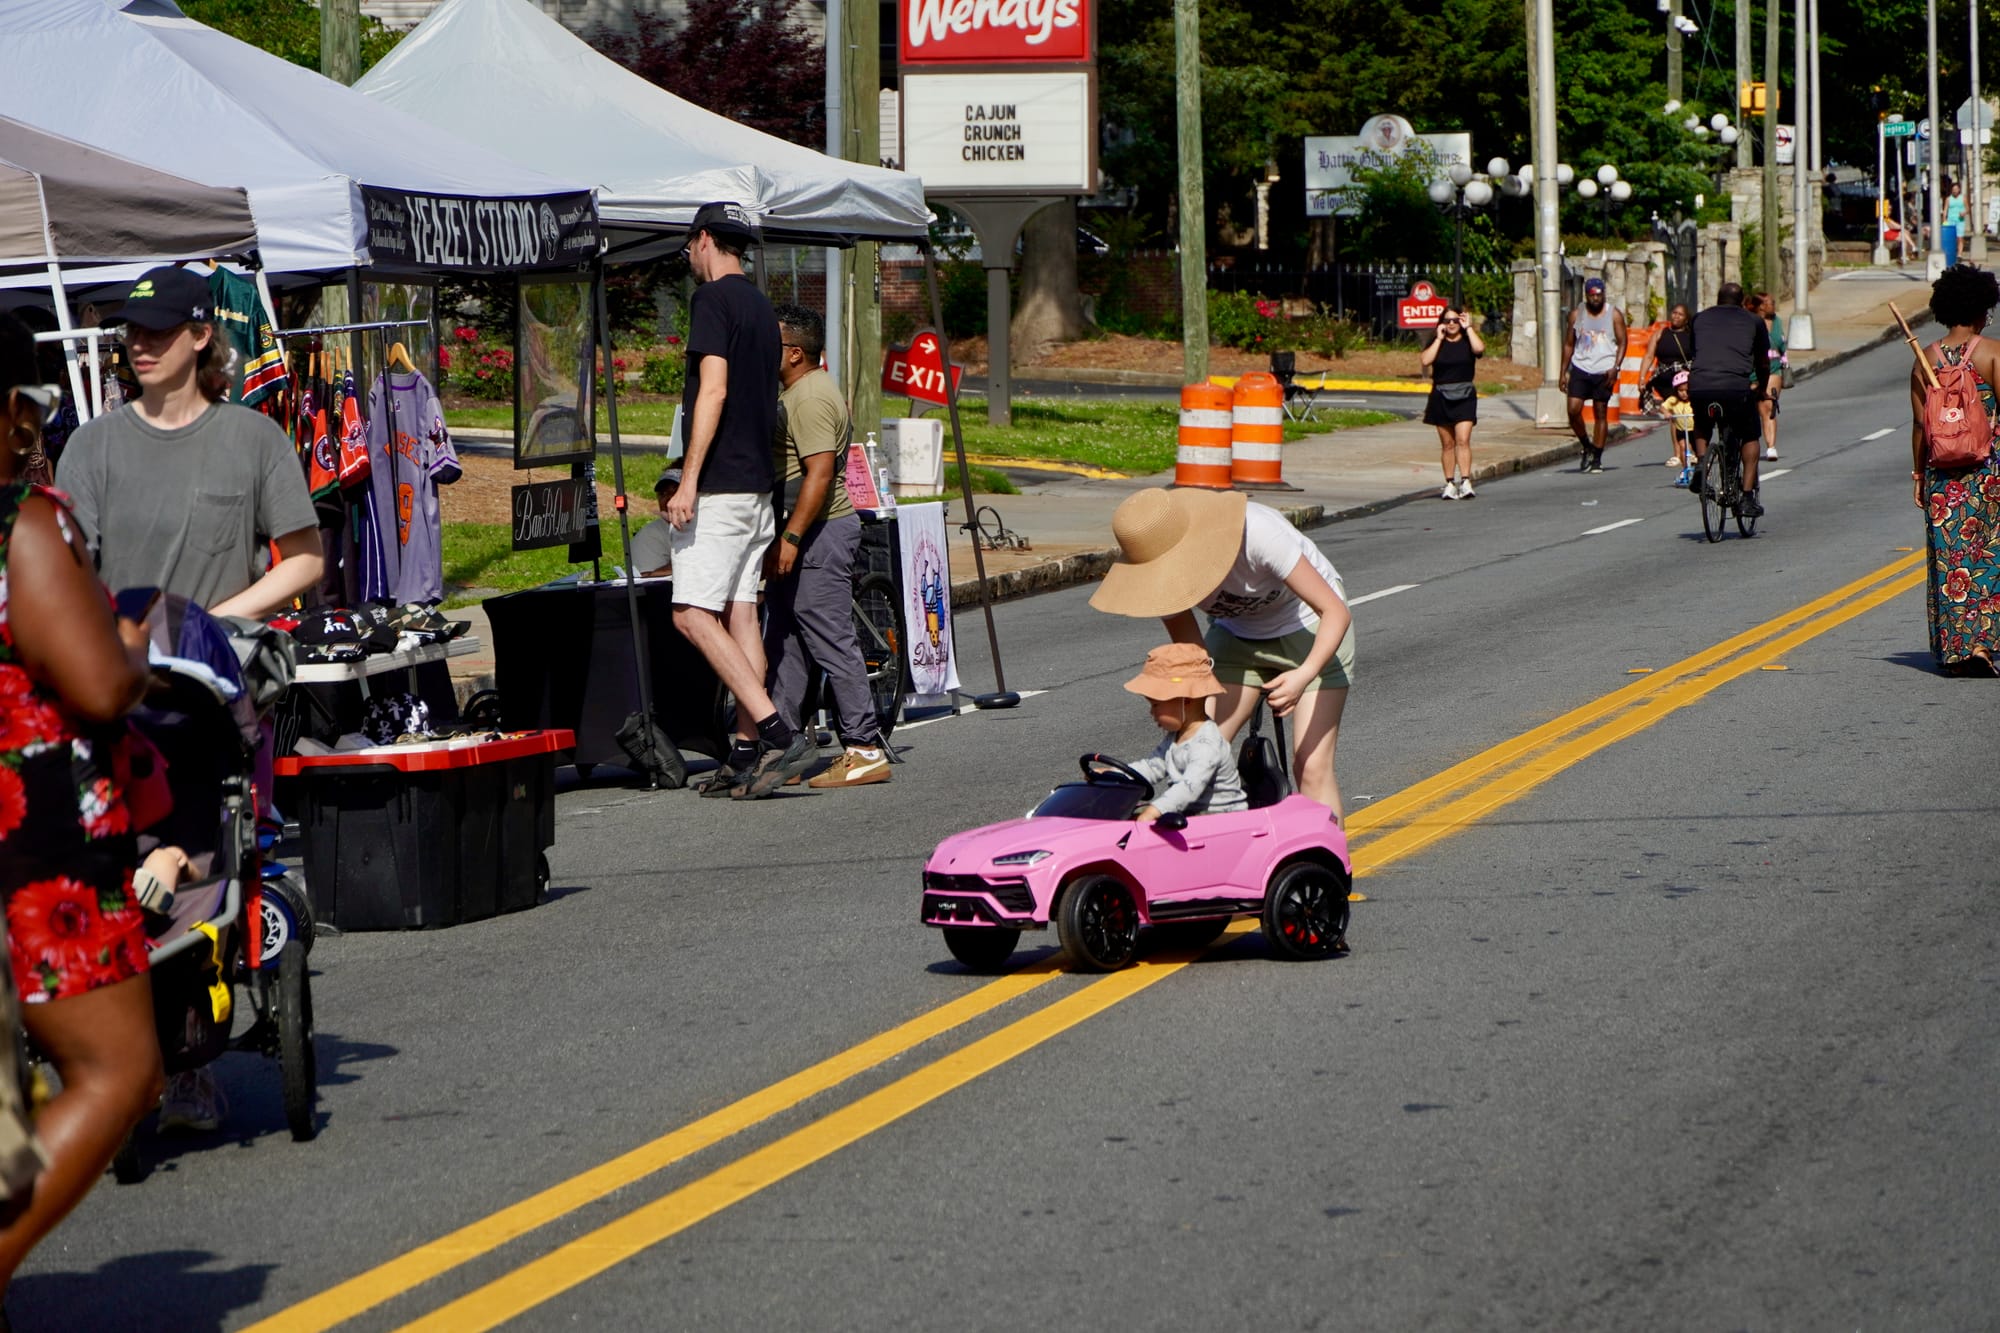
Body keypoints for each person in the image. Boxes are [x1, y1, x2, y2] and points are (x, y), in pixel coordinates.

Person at [0, 312, 165, 1298]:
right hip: (41, 846)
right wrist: (135, 648)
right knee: (117, 1071)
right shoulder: (23, 520)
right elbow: (98, 686)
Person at [55, 267, 322, 619]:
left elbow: (306, 559)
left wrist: (207, 626)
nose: (138, 343)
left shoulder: (257, 439)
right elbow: (65, 578)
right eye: (132, 330)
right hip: (123, 667)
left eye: (157, 331)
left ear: (201, 336)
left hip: (225, 665)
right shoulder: (88, 447)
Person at [659, 203, 810, 799]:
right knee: (741, 612)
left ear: (702, 241)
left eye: (689, 250)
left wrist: (688, 478)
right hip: (757, 485)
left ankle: (777, 731)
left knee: (691, 613)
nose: (690, 262)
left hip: (720, 484)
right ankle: (746, 753)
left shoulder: (713, 301)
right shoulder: (762, 305)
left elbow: (714, 389)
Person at [1091, 488, 1354, 821]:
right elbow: (1193, 658)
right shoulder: (1158, 575)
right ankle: (1219, 855)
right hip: (1236, 637)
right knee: (1195, 752)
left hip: (1309, 627)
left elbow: (1335, 612)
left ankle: (1328, 867)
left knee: (1311, 767)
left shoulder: (1258, 534)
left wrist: (1305, 674)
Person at [763, 303, 890, 790]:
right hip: (802, 531)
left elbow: (818, 476)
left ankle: (863, 748)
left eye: (771, 343)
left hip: (819, 533)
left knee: (831, 640)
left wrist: (793, 537)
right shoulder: (800, 390)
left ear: (794, 353)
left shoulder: (812, 398)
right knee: (787, 642)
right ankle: (787, 746)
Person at [1908, 264, 2000, 674]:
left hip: (1943, 474)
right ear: (1983, 309)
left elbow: (1920, 426)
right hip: (1989, 470)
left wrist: (1917, 475)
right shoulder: (1992, 353)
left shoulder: (1923, 359)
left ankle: (1958, 648)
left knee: (1951, 559)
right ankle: (1982, 643)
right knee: (1989, 553)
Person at [1122, 643, 1248, 821]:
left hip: (1224, 822)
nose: (1152, 712)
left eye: (1156, 705)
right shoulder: (1176, 737)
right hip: (1192, 817)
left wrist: (1155, 810)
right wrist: (1116, 775)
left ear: (1185, 699)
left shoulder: (1207, 744)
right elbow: (1151, 767)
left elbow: (1189, 787)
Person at [1684, 281, 1774, 519]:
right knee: (1750, 433)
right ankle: (1746, 497)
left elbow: (1695, 352)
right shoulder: (1753, 321)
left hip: (1700, 384)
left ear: (1718, 298)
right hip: (1734, 387)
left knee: (1702, 421)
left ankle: (1702, 464)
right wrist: (1762, 389)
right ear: (1742, 300)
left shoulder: (1699, 319)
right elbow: (1763, 363)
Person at [1561, 277, 1626, 473]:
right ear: (1586, 296)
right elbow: (1569, 344)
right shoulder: (1576, 315)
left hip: (1604, 368)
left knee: (1600, 413)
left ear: (1604, 294)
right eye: (1592, 295)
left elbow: (1623, 342)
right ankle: (1586, 445)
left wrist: (1616, 367)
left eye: (1599, 295)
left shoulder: (1613, 314)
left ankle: (1597, 457)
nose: (1596, 298)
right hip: (1581, 366)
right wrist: (1563, 371)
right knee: (1573, 409)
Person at [1420, 306, 1484, 499]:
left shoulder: (1468, 341)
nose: (1451, 324)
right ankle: (1449, 482)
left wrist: (1469, 328)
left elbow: (1479, 349)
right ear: (1442, 323)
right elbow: (1425, 360)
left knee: (1463, 440)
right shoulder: (1437, 342)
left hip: (1464, 395)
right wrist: (1439, 338)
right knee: (1448, 443)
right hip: (1441, 395)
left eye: (1455, 320)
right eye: (1447, 320)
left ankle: (1465, 480)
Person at [1642, 303, 1696, 473]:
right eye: (1674, 313)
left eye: (1680, 314)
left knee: (1689, 412)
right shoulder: (1660, 334)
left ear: (1686, 318)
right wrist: (1642, 378)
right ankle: (1677, 453)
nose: (1676, 317)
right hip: (1666, 380)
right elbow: (1649, 355)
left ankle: (1693, 449)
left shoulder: (1692, 335)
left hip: (1686, 379)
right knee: (1673, 413)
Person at [1751, 290, 1787, 461]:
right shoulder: (1750, 322)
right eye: (1771, 302)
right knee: (1751, 408)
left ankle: (1771, 446)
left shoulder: (1777, 322)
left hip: (1773, 367)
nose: (1774, 305)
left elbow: (1781, 344)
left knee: (1768, 406)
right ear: (1761, 307)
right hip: (1752, 369)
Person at [626, 468, 677, 578]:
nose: (668, 499)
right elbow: (647, 578)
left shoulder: (708, 527)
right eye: (663, 494)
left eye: (675, 492)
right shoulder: (650, 535)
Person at [1944, 179, 1966, 269]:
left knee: (1959, 237)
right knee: (1952, 238)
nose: (1955, 191)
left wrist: (1964, 212)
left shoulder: (1963, 198)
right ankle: (1952, 253)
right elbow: (1945, 210)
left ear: (1959, 190)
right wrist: (1944, 220)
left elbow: (1967, 209)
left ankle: (1959, 254)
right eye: (1953, 189)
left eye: (1956, 189)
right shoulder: (1948, 199)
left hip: (1960, 220)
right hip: (1951, 220)